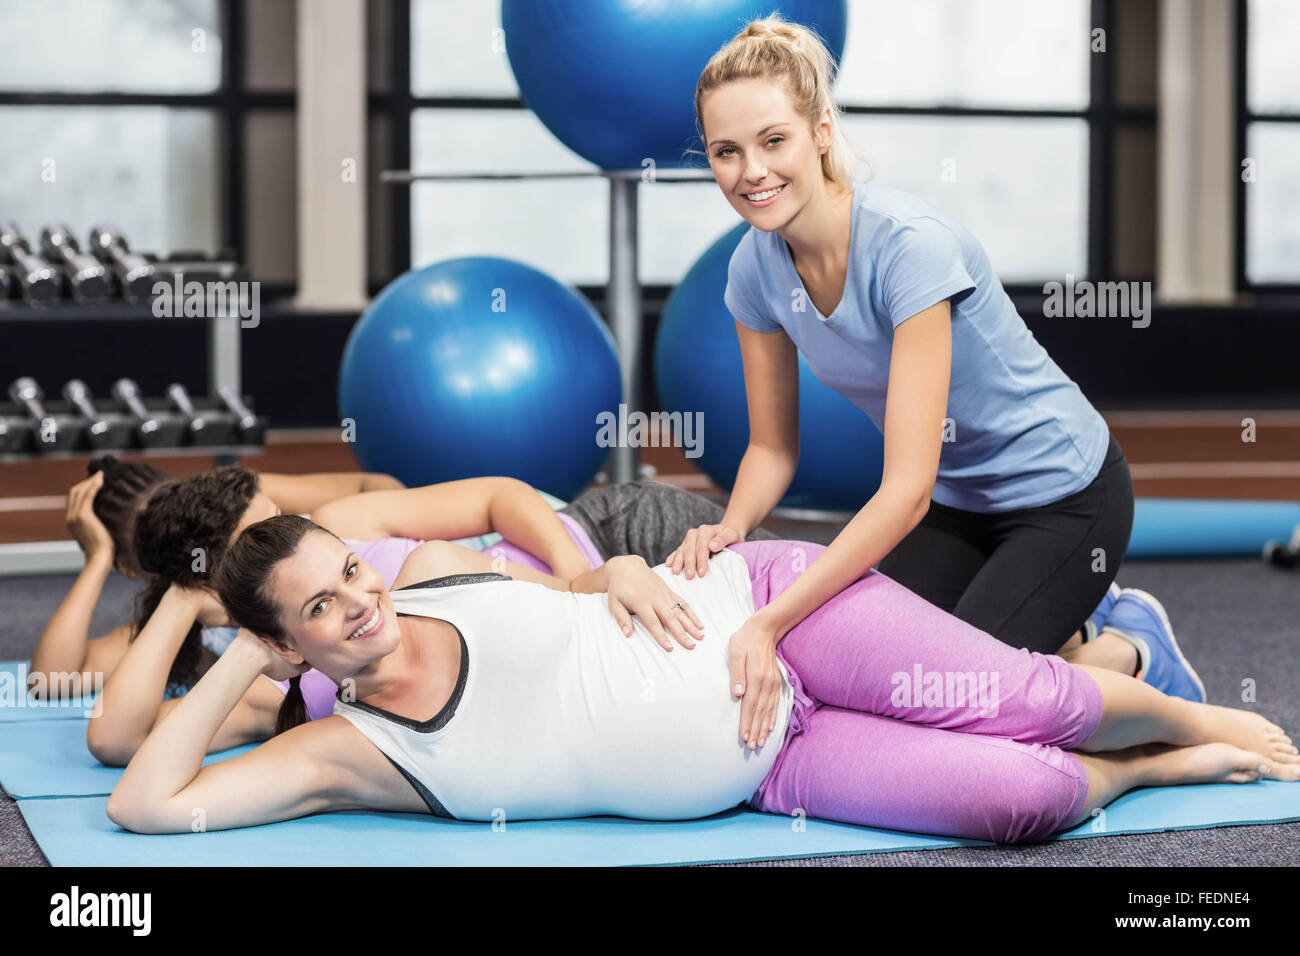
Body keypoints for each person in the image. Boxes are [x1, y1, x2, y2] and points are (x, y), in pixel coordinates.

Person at [106, 514, 1298, 845]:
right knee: (1019, 801)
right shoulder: (344, 752)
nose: (360, 600)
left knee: (1029, 699)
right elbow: (145, 803)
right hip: (772, 766)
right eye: (321, 608)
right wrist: (236, 665)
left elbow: (583, 582)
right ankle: (1157, 768)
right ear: (288, 647)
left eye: (347, 572)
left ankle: (1184, 704)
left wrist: (620, 562)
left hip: (768, 619)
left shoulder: (432, 573)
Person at [668, 14, 1204, 740]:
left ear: (820, 131)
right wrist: (728, 528)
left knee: (959, 703)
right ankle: (1076, 635)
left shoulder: (907, 249)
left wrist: (772, 618)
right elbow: (772, 449)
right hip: (959, 505)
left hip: (1065, 497)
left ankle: (1135, 648)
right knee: (867, 675)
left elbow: (905, 490)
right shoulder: (752, 271)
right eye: (726, 152)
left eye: (773, 141)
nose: (752, 172)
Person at [86, 465, 779, 765]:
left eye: (277, 519)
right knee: (760, 684)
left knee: (808, 598)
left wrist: (582, 582)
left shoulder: (335, 523)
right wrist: (183, 597)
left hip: (610, 537)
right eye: (262, 540)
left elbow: (501, 498)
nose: (292, 537)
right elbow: (116, 741)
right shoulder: (274, 676)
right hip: (596, 653)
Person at [26, 456, 403, 698]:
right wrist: (97, 558)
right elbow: (52, 680)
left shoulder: (248, 501)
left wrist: (402, 518)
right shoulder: (183, 613)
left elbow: (380, 485)